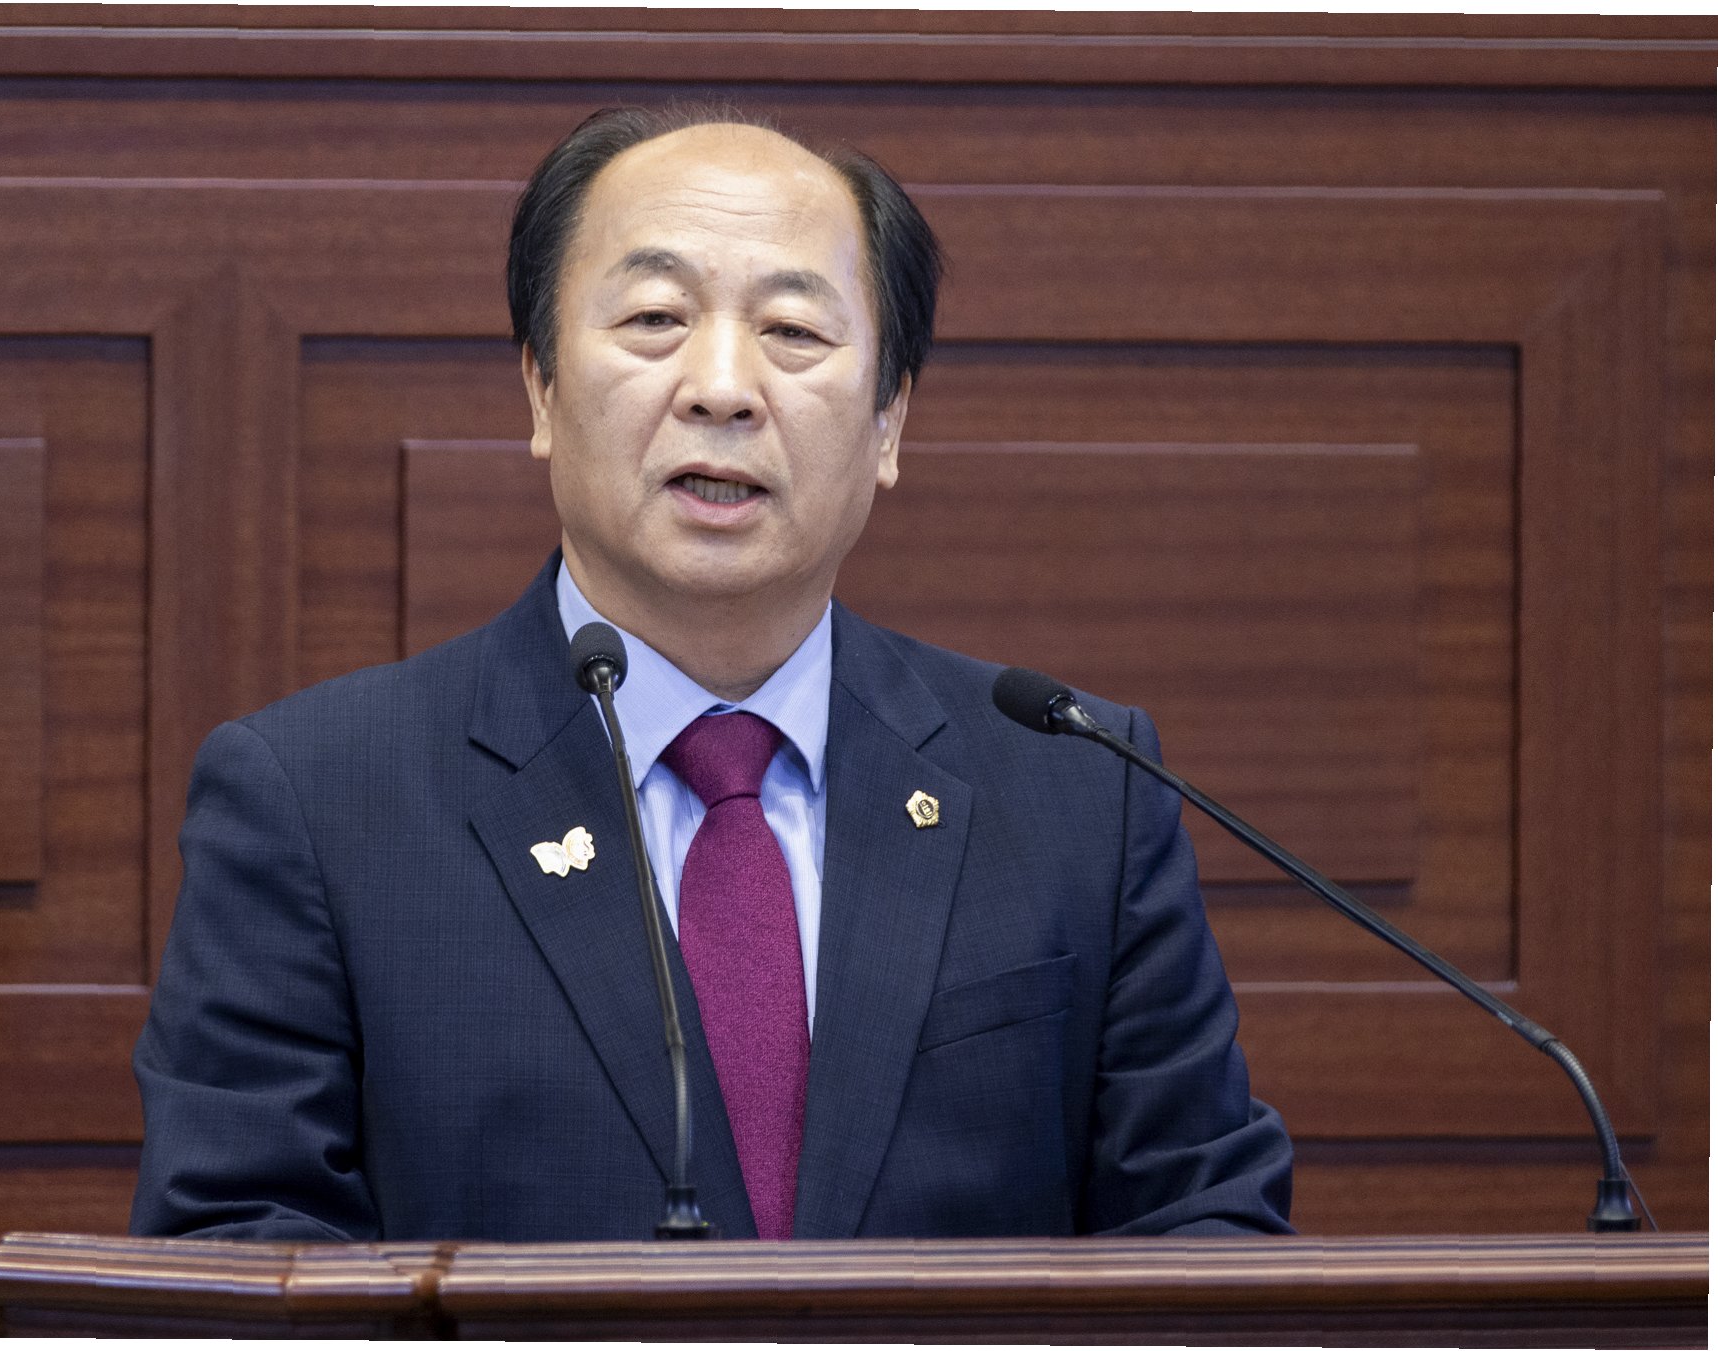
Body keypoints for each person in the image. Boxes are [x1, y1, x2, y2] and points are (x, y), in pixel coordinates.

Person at [131, 105, 1293, 1242]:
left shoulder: (1079, 789)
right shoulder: (315, 802)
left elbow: (1206, 1234)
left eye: (792, 332)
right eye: (654, 319)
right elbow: (239, 1253)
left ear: (888, 421)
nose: (722, 387)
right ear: (539, 388)